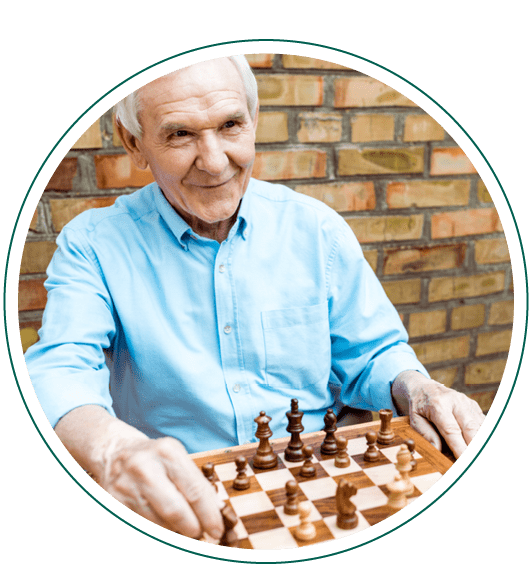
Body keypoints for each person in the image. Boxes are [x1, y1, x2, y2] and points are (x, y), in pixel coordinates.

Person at [25, 55, 485, 541]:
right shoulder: (93, 244)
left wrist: (418, 387)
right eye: (180, 134)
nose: (215, 160)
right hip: (180, 504)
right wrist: (113, 450)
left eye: (230, 125)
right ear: (134, 143)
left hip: (318, 484)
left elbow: (371, 355)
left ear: (254, 120)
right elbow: (61, 366)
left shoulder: (317, 229)